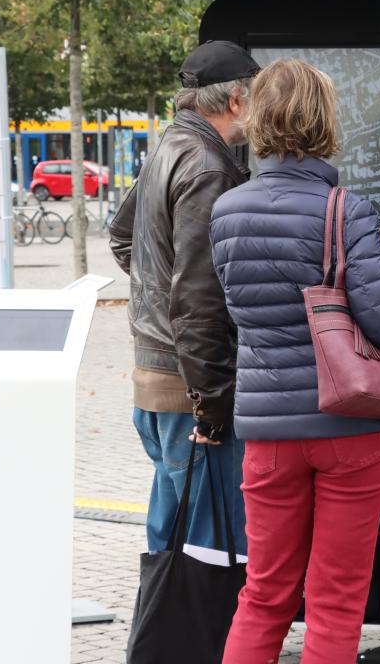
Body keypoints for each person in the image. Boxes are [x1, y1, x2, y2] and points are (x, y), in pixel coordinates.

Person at [210, 59, 380, 664]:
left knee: (264, 594)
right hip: (351, 424)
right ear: (323, 120)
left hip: (268, 432)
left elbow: (234, 313)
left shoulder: (226, 212)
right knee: (336, 597)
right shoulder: (346, 210)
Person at [108, 40, 260, 557]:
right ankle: (203, 640)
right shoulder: (209, 166)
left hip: (156, 376)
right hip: (187, 382)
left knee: (169, 530)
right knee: (206, 542)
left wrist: (158, 296)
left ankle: (163, 635)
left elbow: (122, 236)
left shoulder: (169, 145)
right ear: (237, 99)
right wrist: (213, 404)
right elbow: (198, 297)